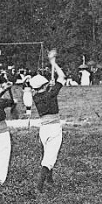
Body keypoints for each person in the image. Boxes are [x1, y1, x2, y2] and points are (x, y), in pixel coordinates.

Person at [31, 50, 66, 191]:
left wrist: (49, 86)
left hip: (43, 128)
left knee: (46, 152)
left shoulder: (36, 96)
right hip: (53, 127)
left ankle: (50, 178)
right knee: (49, 158)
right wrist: (53, 62)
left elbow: (44, 91)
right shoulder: (50, 94)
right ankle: (39, 186)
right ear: (45, 86)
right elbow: (62, 77)